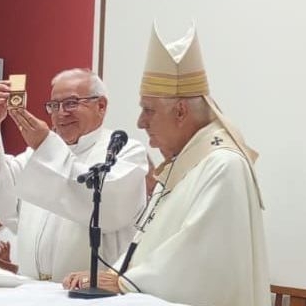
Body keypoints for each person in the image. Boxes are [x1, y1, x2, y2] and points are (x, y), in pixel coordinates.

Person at [63, 25, 270, 306]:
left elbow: (200, 263)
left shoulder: (223, 165)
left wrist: (123, 282)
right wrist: (109, 274)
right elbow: (147, 244)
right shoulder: (183, 164)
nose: (140, 122)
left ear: (181, 111)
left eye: (148, 110)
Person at [0, 68, 148, 281]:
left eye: (71, 103)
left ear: (101, 106)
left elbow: (107, 206)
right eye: (54, 105)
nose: (61, 113)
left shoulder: (123, 151)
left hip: (89, 293)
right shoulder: (37, 156)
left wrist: (46, 147)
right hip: (34, 290)